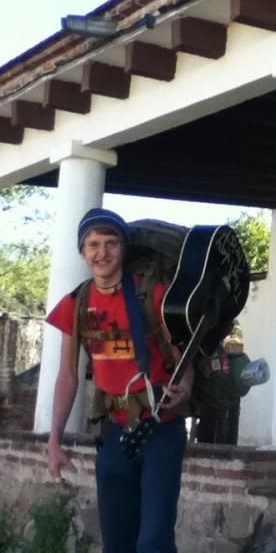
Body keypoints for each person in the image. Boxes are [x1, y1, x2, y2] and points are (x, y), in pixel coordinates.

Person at [46, 208, 193, 553]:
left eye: (111, 243)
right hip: (114, 434)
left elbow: (184, 357)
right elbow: (67, 376)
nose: (102, 253)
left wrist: (185, 384)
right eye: (93, 244)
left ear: (123, 249)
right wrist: (54, 440)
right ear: (82, 251)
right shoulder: (77, 302)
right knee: (117, 542)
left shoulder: (153, 296)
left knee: (154, 540)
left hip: (161, 429)